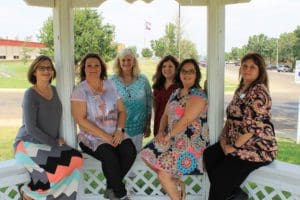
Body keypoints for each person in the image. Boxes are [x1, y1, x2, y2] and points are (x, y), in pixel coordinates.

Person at [203, 53, 278, 200]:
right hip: (235, 142)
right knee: (210, 155)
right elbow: (231, 118)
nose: (247, 70)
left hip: (257, 147)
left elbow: (252, 127)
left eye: (252, 67)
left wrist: (234, 147)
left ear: (260, 71)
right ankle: (235, 194)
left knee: (220, 179)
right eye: (245, 66)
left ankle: (229, 193)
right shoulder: (241, 90)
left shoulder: (260, 92)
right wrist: (223, 138)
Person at [14, 55, 83, 200]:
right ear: (34, 71)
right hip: (27, 144)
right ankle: (30, 194)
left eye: (49, 68)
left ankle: (33, 195)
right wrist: (55, 142)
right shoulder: (30, 95)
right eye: (42, 68)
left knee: (76, 158)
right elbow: (31, 128)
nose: (46, 71)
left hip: (47, 145)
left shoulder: (56, 90)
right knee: (55, 172)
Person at [141, 58, 209, 200]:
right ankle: (177, 183)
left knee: (163, 174)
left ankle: (176, 194)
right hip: (173, 139)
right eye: (184, 71)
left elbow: (186, 120)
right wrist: (160, 131)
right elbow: (165, 115)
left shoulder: (198, 93)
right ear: (179, 73)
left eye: (191, 71)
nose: (187, 74)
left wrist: (168, 135)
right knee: (146, 154)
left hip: (190, 142)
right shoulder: (176, 92)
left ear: (197, 75)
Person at [71, 53, 137, 200]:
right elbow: (81, 120)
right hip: (91, 137)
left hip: (115, 133)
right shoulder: (80, 90)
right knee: (110, 156)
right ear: (84, 69)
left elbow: (122, 111)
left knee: (129, 151)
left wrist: (119, 131)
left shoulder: (110, 85)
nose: (93, 68)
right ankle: (121, 195)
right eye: (89, 65)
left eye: (97, 65)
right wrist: (106, 137)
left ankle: (110, 187)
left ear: (102, 68)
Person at [110, 48, 152, 152]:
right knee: (120, 157)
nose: (126, 62)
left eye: (129, 60)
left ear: (134, 61)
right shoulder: (111, 81)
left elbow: (149, 104)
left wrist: (147, 125)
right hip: (118, 129)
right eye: (123, 60)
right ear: (119, 62)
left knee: (135, 156)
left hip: (138, 128)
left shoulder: (143, 80)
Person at [152, 55, 179, 136]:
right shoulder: (158, 86)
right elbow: (154, 106)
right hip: (158, 125)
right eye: (164, 66)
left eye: (170, 66)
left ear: (176, 69)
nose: (167, 69)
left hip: (174, 127)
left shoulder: (180, 87)